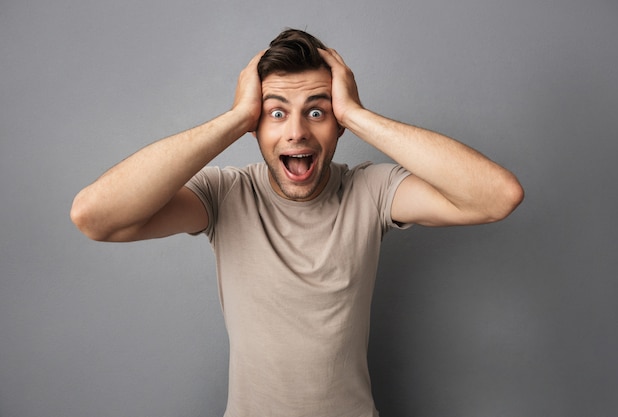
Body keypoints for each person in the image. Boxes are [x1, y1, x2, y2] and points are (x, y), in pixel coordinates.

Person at [71, 29, 523, 417]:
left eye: (317, 111)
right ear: (255, 127)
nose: (296, 133)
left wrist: (357, 115)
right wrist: (234, 119)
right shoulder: (226, 195)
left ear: (337, 125)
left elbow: (497, 197)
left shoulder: (371, 190)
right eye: (275, 113)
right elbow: (94, 217)